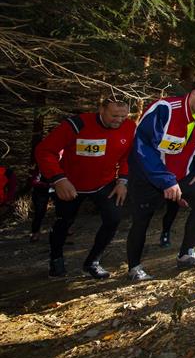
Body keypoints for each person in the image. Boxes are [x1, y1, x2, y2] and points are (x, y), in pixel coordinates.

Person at [126, 76, 195, 281]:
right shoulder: (164, 109)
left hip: (182, 175)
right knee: (142, 220)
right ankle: (134, 267)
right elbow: (143, 147)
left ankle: (186, 254)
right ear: (193, 94)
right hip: (148, 176)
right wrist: (165, 180)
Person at [35, 97, 135, 278]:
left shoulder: (129, 127)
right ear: (101, 109)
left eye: (123, 116)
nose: (119, 120)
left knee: (113, 219)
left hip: (104, 184)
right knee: (64, 222)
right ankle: (56, 259)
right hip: (70, 184)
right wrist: (58, 179)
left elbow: (127, 156)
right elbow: (44, 151)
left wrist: (123, 181)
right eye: (114, 115)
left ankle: (92, 262)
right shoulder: (76, 124)